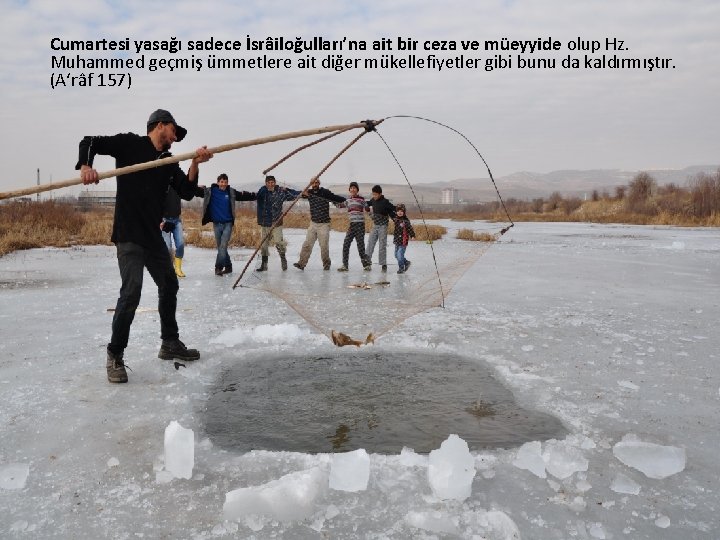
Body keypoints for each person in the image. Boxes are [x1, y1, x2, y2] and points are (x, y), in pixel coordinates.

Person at [78, 109, 213, 384]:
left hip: (152, 235)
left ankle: (170, 343)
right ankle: (115, 355)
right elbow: (89, 141)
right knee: (131, 293)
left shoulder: (168, 162)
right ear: (160, 125)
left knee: (169, 284)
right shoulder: (129, 144)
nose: (176, 138)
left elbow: (186, 192)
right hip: (128, 233)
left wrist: (196, 164)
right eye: (174, 131)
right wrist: (86, 166)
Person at [197, 173, 257, 276]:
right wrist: (195, 187)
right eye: (222, 182)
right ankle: (228, 266)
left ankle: (218, 267)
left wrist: (257, 195)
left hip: (228, 224)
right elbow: (196, 192)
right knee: (221, 247)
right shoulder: (210, 191)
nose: (223, 184)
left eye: (225, 182)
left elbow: (243, 195)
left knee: (223, 246)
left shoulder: (231, 192)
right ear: (218, 182)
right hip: (216, 224)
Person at [293, 177, 346, 271]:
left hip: (324, 224)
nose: (315, 184)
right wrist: (288, 190)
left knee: (324, 246)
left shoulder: (325, 192)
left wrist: (345, 200)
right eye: (313, 183)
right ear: (311, 184)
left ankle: (326, 265)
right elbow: (298, 193)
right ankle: (301, 263)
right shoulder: (309, 193)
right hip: (313, 224)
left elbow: (335, 197)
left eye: (316, 182)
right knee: (307, 244)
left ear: (319, 183)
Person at [255, 175, 301, 271]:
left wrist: (302, 193)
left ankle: (283, 259)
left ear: (275, 182)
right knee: (264, 245)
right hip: (265, 222)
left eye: (272, 182)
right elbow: (256, 196)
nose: (271, 184)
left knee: (278, 242)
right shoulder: (263, 191)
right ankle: (264, 264)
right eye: (269, 183)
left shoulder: (281, 191)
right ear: (266, 183)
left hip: (277, 222)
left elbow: (292, 193)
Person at [337, 181, 372, 272]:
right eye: (351, 188)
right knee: (346, 244)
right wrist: (332, 201)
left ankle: (366, 265)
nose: (353, 189)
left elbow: (367, 209)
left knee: (360, 246)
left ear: (357, 190)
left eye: (354, 188)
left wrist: (369, 209)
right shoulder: (348, 201)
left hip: (360, 225)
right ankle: (345, 265)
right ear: (349, 190)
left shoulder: (361, 200)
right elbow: (340, 205)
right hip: (352, 225)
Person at [365, 184, 396, 272]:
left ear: (380, 194)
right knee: (371, 242)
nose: (374, 196)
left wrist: (398, 213)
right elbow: (367, 203)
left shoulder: (385, 202)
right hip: (375, 225)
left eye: (375, 194)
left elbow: (392, 209)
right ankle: (367, 261)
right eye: (373, 194)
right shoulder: (373, 200)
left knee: (382, 245)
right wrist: (366, 205)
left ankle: (383, 264)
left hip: (383, 226)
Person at [161, 186, 188, 278]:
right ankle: (169, 270)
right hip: (164, 220)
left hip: (177, 220)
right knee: (168, 248)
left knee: (180, 245)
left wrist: (195, 187)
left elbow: (188, 188)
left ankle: (178, 269)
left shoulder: (178, 184)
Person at [392, 203, 416, 274]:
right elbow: (391, 214)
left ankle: (401, 268)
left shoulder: (406, 221)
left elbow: (410, 229)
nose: (399, 212)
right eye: (398, 211)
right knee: (396, 255)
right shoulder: (396, 219)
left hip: (403, 241)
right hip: (397, 240)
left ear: (404, 212)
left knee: (399, 254)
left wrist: (412, 235)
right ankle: (406, 262)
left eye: (401, 211)